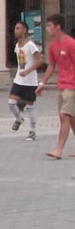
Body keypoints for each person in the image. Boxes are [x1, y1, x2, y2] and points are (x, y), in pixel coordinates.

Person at [35, 13, 75, 159]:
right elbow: (51, 65)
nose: (47, 29)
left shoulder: (71, 44)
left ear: (58, 27)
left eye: (49, 26)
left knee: (64, 115)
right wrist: (42, 83)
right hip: (62, 85)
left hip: (72, 86)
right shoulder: (53, 46)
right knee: (71, 118)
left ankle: (59, 150)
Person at [8, 21, 43, 141]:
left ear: (24, 30)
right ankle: (19, 119)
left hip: (30, 80)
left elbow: (40, 60)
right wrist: (20, 72)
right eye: (15, 28)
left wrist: (28, 71)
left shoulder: (30, 45)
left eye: (18, 28)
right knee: (11, 102)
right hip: (19, 78)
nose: (15, 30)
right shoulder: (17, 46)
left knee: (29, 106)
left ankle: (33, 131)